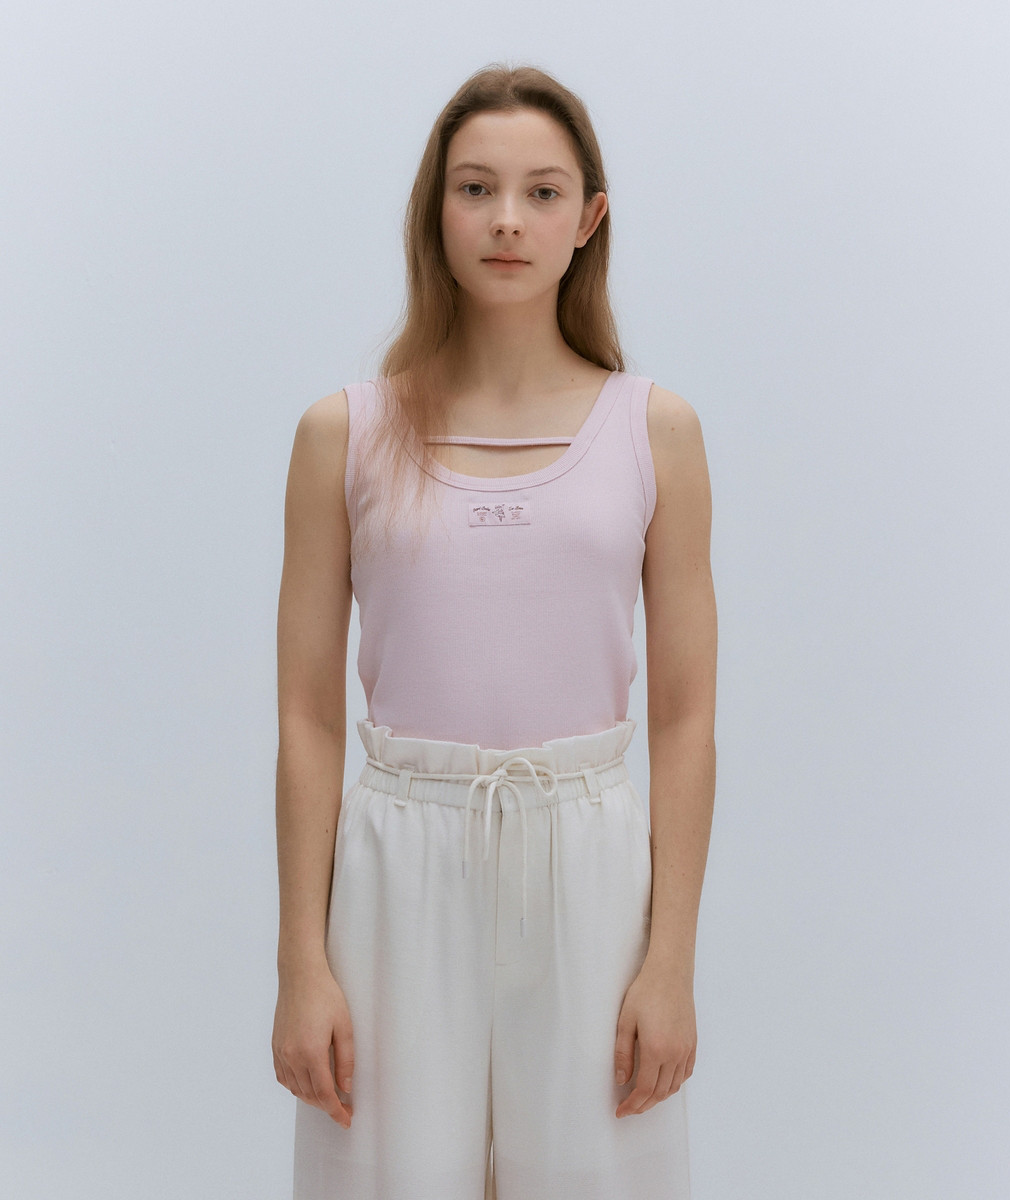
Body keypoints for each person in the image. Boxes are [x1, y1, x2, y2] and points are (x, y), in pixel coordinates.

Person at [272, 61, 717, 1200]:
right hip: (398, 863)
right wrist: (302, 963)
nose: (508, 220)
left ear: (589, 218)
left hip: (588, 863)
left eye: (542, 192)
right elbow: (308, 718)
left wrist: (669, 961)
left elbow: (684, 717)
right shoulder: (343, 436)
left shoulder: (655, 431)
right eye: (475, 189)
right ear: (436, 211)